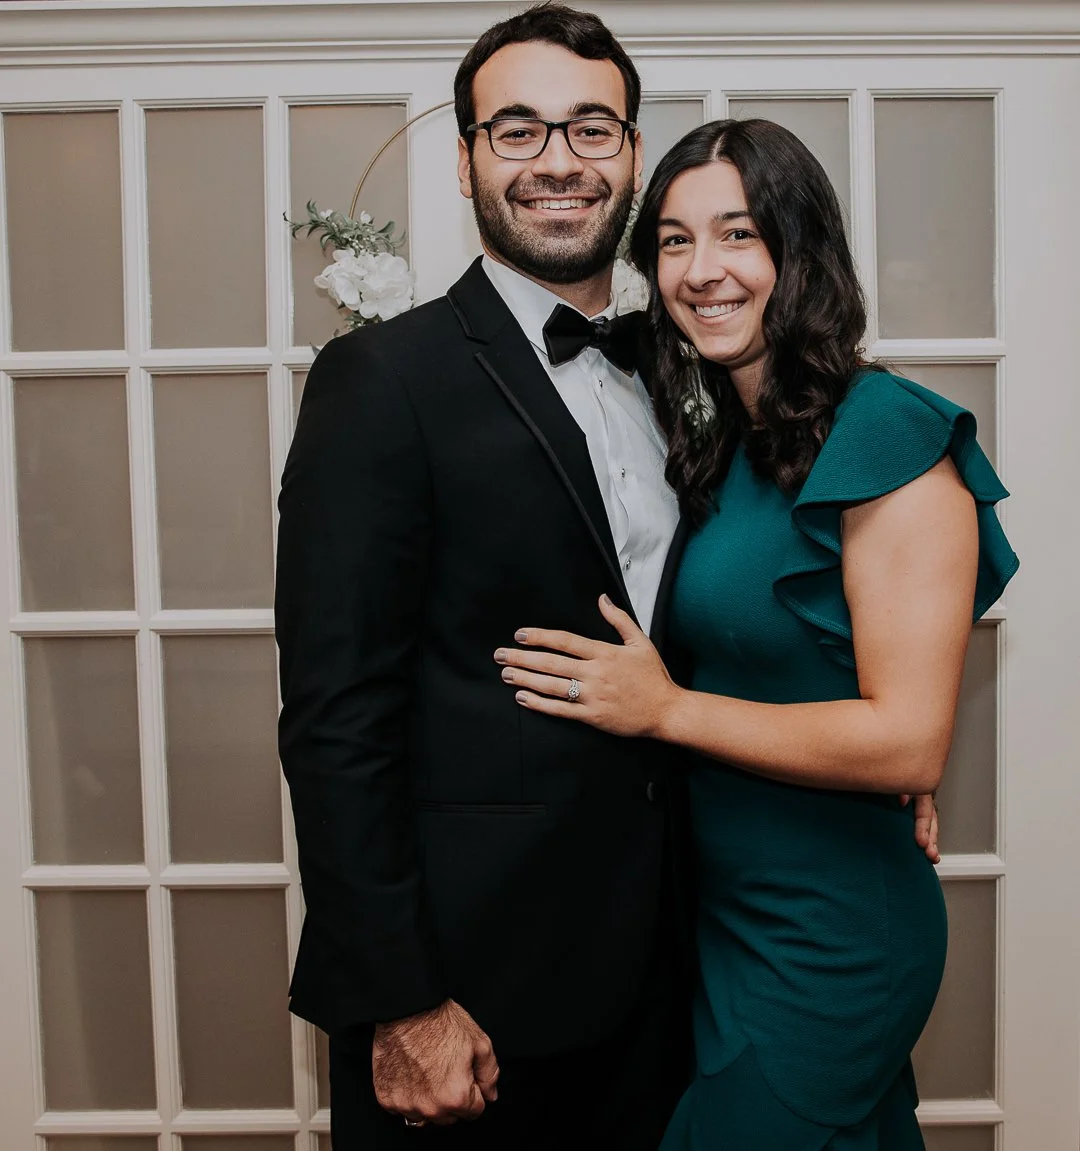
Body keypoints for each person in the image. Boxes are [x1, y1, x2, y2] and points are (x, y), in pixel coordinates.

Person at [494, 117, 1018, 1149]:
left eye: (739, 234)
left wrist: (668, 709)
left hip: (829, 934)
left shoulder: (892, 438)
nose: (703, 270)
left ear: (799, 249)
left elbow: (910, 738)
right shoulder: (727, 441)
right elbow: (787, 653)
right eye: (676, 241)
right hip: (721, 919)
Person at [276, 6, 691, 1148]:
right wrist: (398, 995)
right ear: (463, 162)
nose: (558, 158)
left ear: (635, 156)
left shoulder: (694, 368)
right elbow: (334, 714)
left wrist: (875, 747)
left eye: (591, 127)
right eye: (517, 130)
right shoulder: (379, 380)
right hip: (475, 993)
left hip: (692, 964)